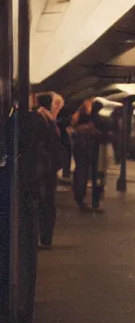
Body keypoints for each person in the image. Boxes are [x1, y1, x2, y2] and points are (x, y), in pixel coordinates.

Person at [32, 93, 63, 248]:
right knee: (47, 202)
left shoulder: (42, 119)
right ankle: (45, 237)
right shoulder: (47, 120)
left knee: (44, 202)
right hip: (47, 166)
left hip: (44, 166)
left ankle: (44, 237)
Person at [71, 98, 103, 212]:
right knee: (84, 174)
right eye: (89, 102)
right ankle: (83, 200)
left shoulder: (81, 117)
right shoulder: (86, 118)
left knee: (84, 174)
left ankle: (83, 200)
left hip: (85, 150)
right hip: (86, 150)